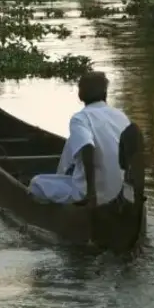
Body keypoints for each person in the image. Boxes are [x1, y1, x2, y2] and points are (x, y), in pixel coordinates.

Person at [28, 70, 133, 208]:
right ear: (105, 93)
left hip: (92, 194)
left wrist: (91, 194)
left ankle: (62, 212)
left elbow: (87, 147)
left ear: (80, 94)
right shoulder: (121, 117)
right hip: (120, 193)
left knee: (36, 183)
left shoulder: (80, 118)